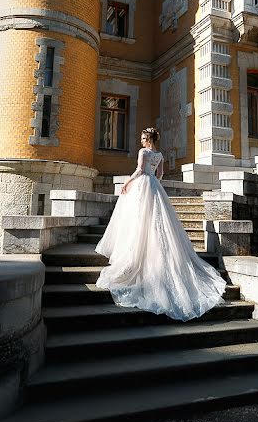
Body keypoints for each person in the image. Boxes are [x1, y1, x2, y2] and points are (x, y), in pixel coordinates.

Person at [95, 127, 227, 321]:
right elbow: (161, 174)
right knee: (156, 223)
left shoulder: (144, 152)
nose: (140, 141)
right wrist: (153, 183)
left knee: (140, 220)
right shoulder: (159, 154)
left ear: (148, 138)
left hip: (142, 185)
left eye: (142, 137)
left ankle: (136, 254)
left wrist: (127, 183)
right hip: (155, 187)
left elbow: (140, 170)